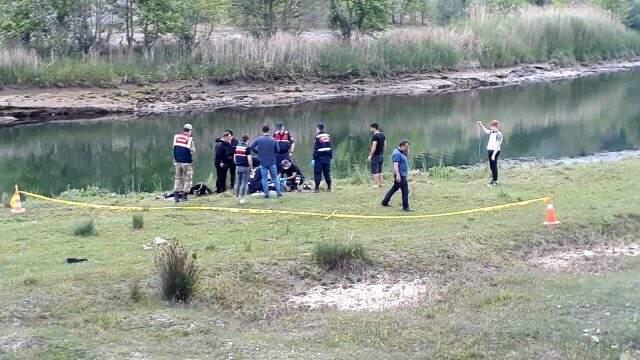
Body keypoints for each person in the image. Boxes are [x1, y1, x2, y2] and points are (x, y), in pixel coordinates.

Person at [250, 125, 282, 198]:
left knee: (264, 178)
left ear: (262, 131)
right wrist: (273, 153)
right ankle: (279, 192)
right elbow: (278, 150)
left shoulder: (258, 139)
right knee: (275, 178)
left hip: (263, 162)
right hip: (272, 161)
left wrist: (258, 152)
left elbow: (251, 147)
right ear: (269, 131)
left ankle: (266, 194)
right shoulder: (273, 140)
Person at [381, 139, 413, 212]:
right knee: (405, 191)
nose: (407, 148)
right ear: (401, 145)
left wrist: (407, 150)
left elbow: (406, 156)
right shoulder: (397, 153)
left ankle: (384, 202)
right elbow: (395, 165)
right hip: (401, 175)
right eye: (406, 146)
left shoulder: (402, 152)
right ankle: (406, 207)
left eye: (408, 147)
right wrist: (398, 175)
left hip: (403, 175)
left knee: (394, 188)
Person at [172, 124, 196, 203]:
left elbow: (174, 148)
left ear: (183, 129)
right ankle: (184, 196)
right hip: (186, 162)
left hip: (177, 161)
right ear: (190, 131)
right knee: (188, 178)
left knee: (178, 178)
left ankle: (176, 195)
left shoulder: (176, 137)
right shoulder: (190, 139)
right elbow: (192, 150)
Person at [478, 120, 504, 186]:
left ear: (495, 126)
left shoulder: (499, 134)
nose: (490, 127)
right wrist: (481, 125)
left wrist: (494, 155)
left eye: (491, 126)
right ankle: (493, 179)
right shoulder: (492, 132)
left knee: (494, 166)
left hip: (495, 151)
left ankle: (495, 181)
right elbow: (486, 131)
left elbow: (497, 145)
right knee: (492, 166)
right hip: (490, 151)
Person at [313, 123, 332, 192]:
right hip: (327, 157)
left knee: (318, 172)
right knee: (327, 172)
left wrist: (313, 158)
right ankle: (329, 187)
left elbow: (316, 148)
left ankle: (317, 188)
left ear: (318, 128)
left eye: (316, 129)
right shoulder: (328, 136)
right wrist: (331, 157)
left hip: (319, 158)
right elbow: (330, 147)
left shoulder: (317, 137)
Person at [367, 122, 387, 188]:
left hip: (375, 156)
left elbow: (373, 147)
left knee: (375, 171)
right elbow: (385, 145)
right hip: (381, 155)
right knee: (380, 170)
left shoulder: (375, 136)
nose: (370, 130)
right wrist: (382, 152)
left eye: (371, 128)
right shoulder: (383, 135)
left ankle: (376, 184)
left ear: (374, 128)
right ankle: (381, 183)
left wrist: (370, 155)